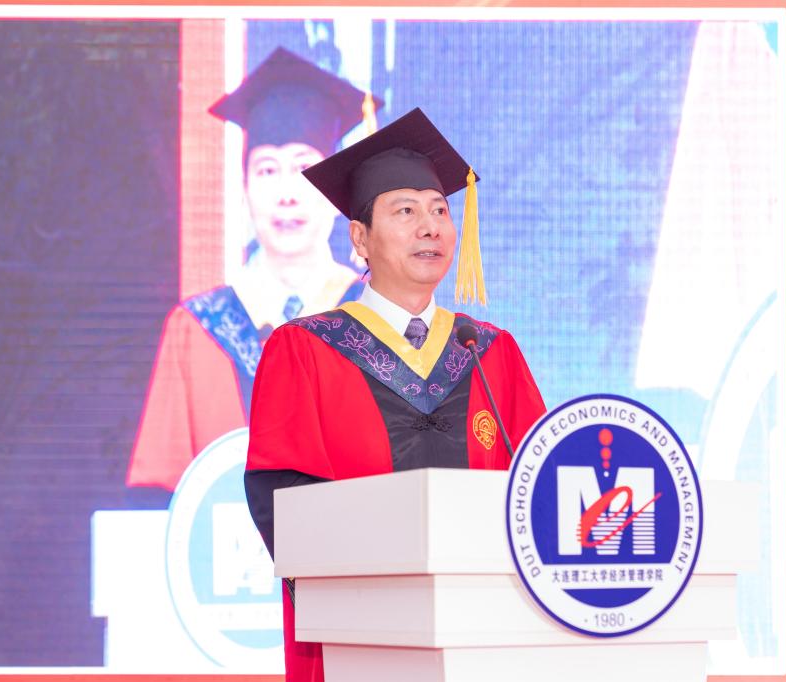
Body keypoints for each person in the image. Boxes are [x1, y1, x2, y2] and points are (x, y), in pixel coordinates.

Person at [244, 107, 547, 681]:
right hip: (358, 639)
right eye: (405, 211)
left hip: (485, 638)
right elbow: (281, 496)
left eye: (439, 211)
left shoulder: (490, 353)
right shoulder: (304, 350)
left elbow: (539, 487)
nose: (430, 227)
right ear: (359, 238)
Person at [126, 48, 378, 494]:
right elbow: (158, 499)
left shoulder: (381, 323)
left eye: (305, 168)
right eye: (266, 170)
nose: (286, 193)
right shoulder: (197, 330)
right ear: (244, 190)